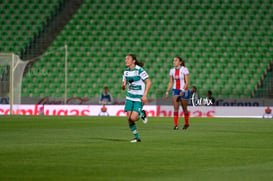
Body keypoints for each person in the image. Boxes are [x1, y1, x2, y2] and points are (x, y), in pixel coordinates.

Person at [121, 54, 152, 143]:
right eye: (125, 59)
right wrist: (123, 86)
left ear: (133, 61)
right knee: (129, 119)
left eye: (128, 59)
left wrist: (145, 95)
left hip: (139, 97)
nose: (126, 60)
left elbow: (149, 82)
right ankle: (137, 137)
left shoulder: (139, 70)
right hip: (130, 97)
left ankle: (142, 113)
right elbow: (124, 85)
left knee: (134, 118)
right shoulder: (126, 72)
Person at [165, 56, 190, 130]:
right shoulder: (172, 70)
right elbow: (171, 82)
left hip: (184, 90)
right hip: (175, 90)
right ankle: (176, 125)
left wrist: (182, 90)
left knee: (184, 108)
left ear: (180, 62)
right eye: (173, 60)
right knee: (176, 108)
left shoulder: (184, 69)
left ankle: (186, 123)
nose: (174, 62)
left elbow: (187, 82)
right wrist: (167, 91)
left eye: (176, 60)